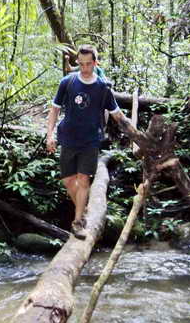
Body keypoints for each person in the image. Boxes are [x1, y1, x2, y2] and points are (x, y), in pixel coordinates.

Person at [46, 44, 130, 239]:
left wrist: (134, 133)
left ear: (95, 63)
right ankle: (83, 210)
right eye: (81, 64)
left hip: (91, 141)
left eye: (88, 64)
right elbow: (54, 109)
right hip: (67, 138)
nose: (84, 68)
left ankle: (78, 223)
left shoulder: (103, 87)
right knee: (68, 180)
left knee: (83, 180)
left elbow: (116, 114)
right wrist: (49, 135)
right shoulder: (67, 82)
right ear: (77, 63)